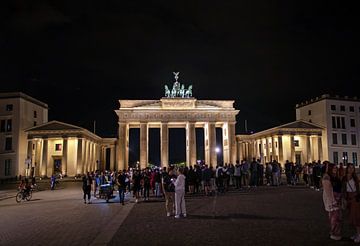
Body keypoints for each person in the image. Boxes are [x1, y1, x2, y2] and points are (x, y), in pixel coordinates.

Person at [322, 163, 342, 241]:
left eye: (336, 168)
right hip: (333, 200)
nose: (335, 169)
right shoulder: (327, 178)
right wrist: (332, 201)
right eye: (334, 168)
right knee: (334, 218)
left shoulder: (335, 177)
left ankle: (336, 233)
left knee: (338, 218)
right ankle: (334, 233)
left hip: (338, 199)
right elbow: (328, 192)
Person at [342, 163, 360, 242]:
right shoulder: (344, 178)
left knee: (356, 217)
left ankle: (359, 235)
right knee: (352, 217)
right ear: (347, 168)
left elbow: (358, 189)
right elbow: (343, 189)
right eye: (350, 168)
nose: (351, 169)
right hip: (348, 198)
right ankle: (357, 233)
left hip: (355, 199)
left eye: (352, 168)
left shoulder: (355, 178)